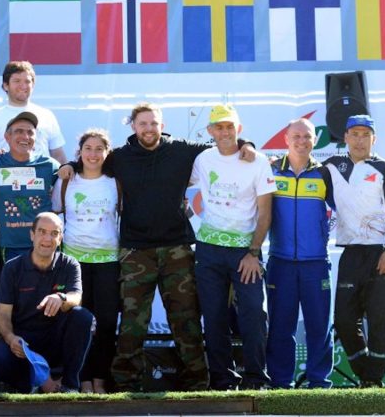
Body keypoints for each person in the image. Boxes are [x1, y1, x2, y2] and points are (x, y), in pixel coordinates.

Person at [72, 102, 256, 392]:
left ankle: (197, 384)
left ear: (162, 125)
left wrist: (246, 144)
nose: (149, 129)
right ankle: (126, 385)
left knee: (186, 320)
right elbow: (89, 163)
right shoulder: (119, 157)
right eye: (143, 124)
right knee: (132, 323)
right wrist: (68, 167)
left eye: (154, 123)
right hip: (135, 252)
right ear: (133, 126)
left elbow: (223, 145)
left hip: (177, 250)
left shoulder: (182, 150)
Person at [190, 105, 276, 390]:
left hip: (245, 252)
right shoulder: (203, 159)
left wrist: (253, 253)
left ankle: (256, 378)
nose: (225, 132)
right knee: (214, 316)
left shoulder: (257, 161)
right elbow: (175, 180)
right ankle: (222, 380)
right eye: (219, 127)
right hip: (208, 250)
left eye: (230, 126)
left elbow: (265, 213)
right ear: (210, 131)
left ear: (238, 129)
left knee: (254, 314)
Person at [326, 114, 385, 388]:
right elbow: (302, 169)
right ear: (345, 137)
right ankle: (365, 374)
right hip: (351, 253)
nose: (360, 140)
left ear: (374, 139)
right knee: (344, 320)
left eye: (365, 135)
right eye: (355, 134)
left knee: (379, 320)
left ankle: (374, 382)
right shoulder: (331, 165)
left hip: (381, 253)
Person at [0, 213, 95, 393]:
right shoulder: (12, 268)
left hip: (55, 339)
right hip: (23, 341)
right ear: (32, 235)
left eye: (54, 233)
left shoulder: (70, 264)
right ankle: (34, 386)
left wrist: (61, 298)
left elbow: (76, 298)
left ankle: (69, 385)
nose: (47, 238)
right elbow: (3, 313)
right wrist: (11, 338)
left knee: (83, 317)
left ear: (60, 238)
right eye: (42, 232)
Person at [267, 118, 334, 389]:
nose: (302, 141)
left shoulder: (325, 173)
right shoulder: (271, 169)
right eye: (296, 136)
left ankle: (319, 383)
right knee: (281, 326)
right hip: (280, 261)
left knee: (319, 326)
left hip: (315, 263)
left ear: (315, 140)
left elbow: (347, 209)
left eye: (307, 136)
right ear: (286, 139)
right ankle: (280, 383)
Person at [52, 129, 119, 394]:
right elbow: (54, 213)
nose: (93, 154)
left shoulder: (115, 182)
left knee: (106, 323)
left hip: (108, 260)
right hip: (74, 262)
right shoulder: (66, 181)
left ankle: (101, 379)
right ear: (79, 152)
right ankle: (83, 379)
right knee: (80, 322)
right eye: (88, 148)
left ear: (107, 153)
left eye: (99, 148)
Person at [0, 111, 59, 263]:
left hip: (44, 245)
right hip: (10, 247)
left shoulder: (49, 165)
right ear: (7, 137)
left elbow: (76, 178)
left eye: (30, 132)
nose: (25, 137)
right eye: (19, 131)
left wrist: (71, 166)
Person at [0, 61, 67, 164]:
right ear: (5, 85)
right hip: (5, 173)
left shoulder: (47, 115)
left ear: (33, 85)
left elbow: (58, 155)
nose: (23, 86)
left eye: (27, 81)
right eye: (17, 81)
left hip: (42, 173)